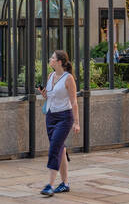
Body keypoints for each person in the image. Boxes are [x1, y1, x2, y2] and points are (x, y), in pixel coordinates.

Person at [38, 50, 80, 196]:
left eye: (53, 58)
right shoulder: (51, 76)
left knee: (54, 148)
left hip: (64, 117)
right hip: (50, 116)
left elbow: (74, 102)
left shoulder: (68, 79)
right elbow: (50, 97)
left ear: (60, 62)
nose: (50, 59)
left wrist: (76, 122)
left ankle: (49, 185)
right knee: (60, 148)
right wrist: (44, 94)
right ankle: (65, 183)